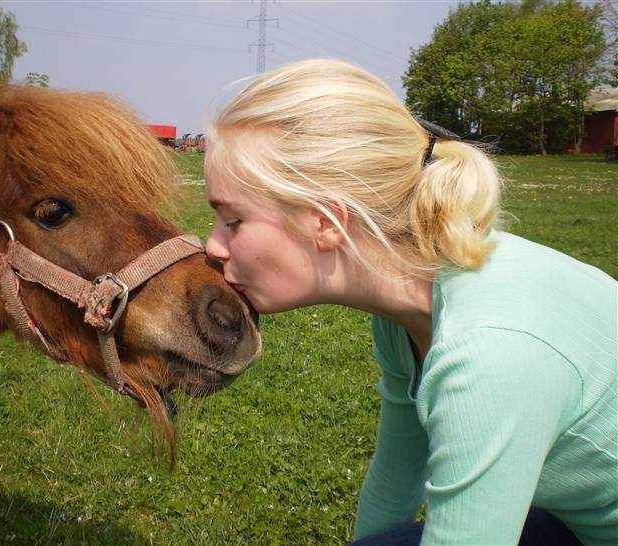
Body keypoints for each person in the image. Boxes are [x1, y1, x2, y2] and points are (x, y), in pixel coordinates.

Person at [203, 59, 617, 546]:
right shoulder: (406, 310)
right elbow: (396, 480)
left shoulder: (488, 352)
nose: (212, 245)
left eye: (232, 221)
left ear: (326, 221)